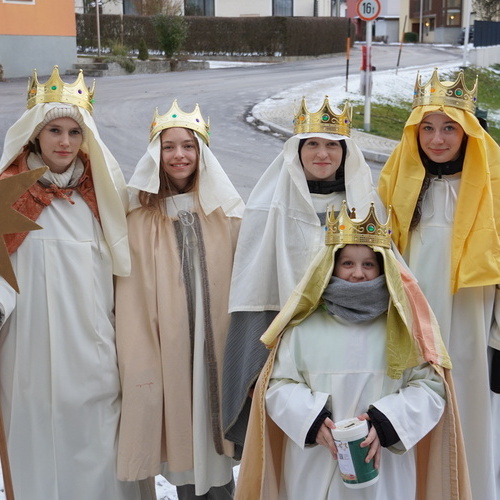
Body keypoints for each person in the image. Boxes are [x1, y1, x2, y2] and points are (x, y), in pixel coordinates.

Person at [235, 202, 471, 500]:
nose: (358, 273)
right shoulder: (302, 329)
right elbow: (278, 385)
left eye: (368, 264)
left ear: (383, 267)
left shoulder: (404, 328)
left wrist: (386, 423)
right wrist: (312, 420)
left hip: (384, 465)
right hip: (316, 464)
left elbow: (430, 388)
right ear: (330, 266)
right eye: (347, 263)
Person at [0, 66, 151, 499]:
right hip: (29, 351)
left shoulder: (101, 193)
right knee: (39, 449)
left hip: (93, 350)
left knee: (99, 450)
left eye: (74, 132)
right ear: (35, 135)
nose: (64, 142)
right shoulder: (9, 194)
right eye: (54, 131)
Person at [223, 97, 385, 454]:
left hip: (353, 349)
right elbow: (255, 288)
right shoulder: (268, 206)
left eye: (332, 145)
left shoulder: (367, 207)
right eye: (312, 143)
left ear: (345, 151)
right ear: (297, 149)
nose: (322, 154)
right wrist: (254, 364)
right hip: (287, 353)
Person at [378, 67, 500, 499]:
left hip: (471, 326)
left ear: (468, 132)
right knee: (412, 408)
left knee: (468, 410)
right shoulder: (397, 181)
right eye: (427, 128)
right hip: (412, 325)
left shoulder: (492, 186)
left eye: (449, 128)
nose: (437, 139)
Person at [115, 99, 245, 499]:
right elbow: (132, 299)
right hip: (168, 353)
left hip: (218, 348)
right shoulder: (139, 220)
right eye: (168, 146)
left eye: (188, 146)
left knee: (216, 444)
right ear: (155, 155)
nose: (179, 155)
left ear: (202, 153)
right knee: (184, 445)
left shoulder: (228, 215)